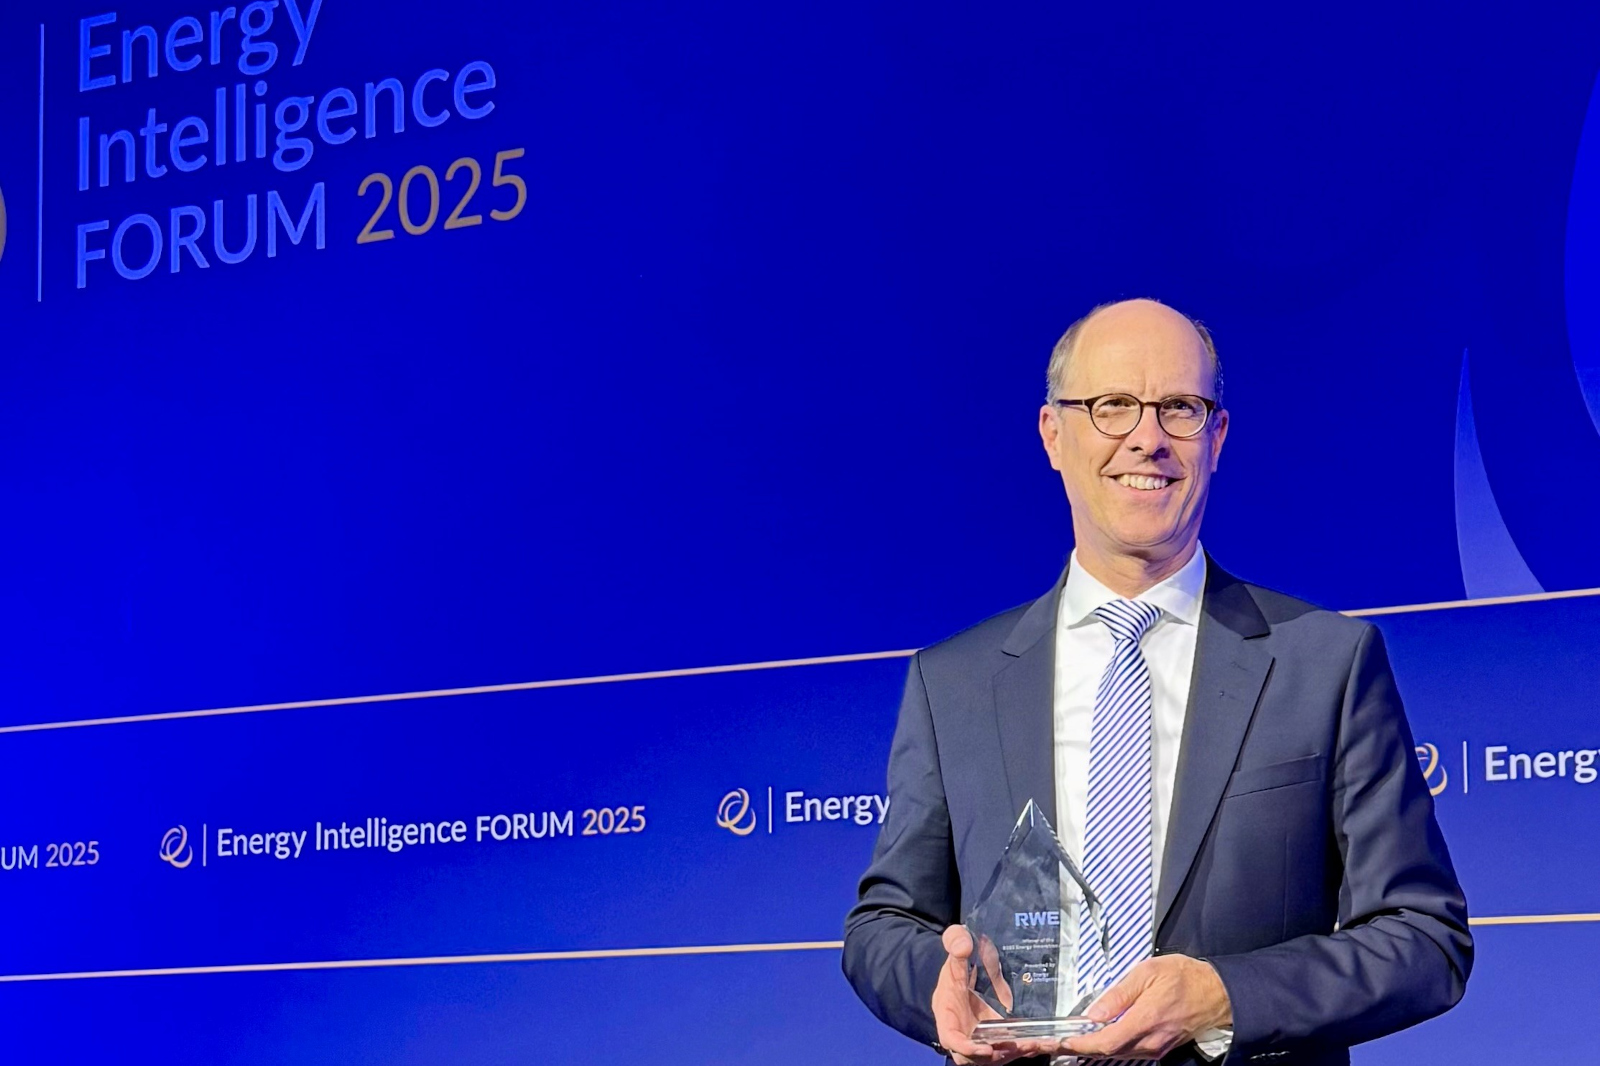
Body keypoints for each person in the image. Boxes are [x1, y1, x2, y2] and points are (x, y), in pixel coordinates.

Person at [841, 299, 1471, 1065]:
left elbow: (1423, 938)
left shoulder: (1326, 665)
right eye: (1111, 407)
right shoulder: (953, 683)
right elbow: (884, 923)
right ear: (1053, 435)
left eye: (1179, 408)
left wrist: (1225, 996)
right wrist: (938, 987)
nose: (1147, 437)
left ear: (1217, 437)